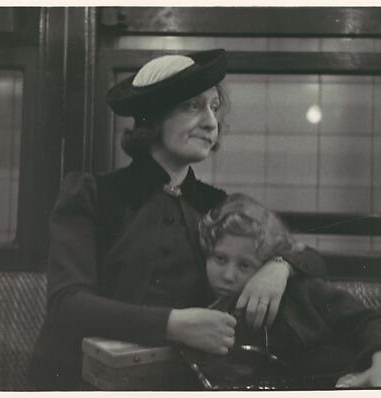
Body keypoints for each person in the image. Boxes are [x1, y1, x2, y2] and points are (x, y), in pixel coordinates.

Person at [28, 49, 327, 390]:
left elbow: (311, 259)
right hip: (78, 381)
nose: (211, 123)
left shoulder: (218, 205)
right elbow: (68, 305)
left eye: (214, 108)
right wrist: (173, 324)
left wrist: (278, 266)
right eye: (193, 106)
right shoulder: (92, 194)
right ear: (152, 118)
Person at [189, 193, 381, 389]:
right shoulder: (201, 307)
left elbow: (372, 322)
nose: (229, 275)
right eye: (220, 259)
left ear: (267, 263)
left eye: (245, 265)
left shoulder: (299, 292)